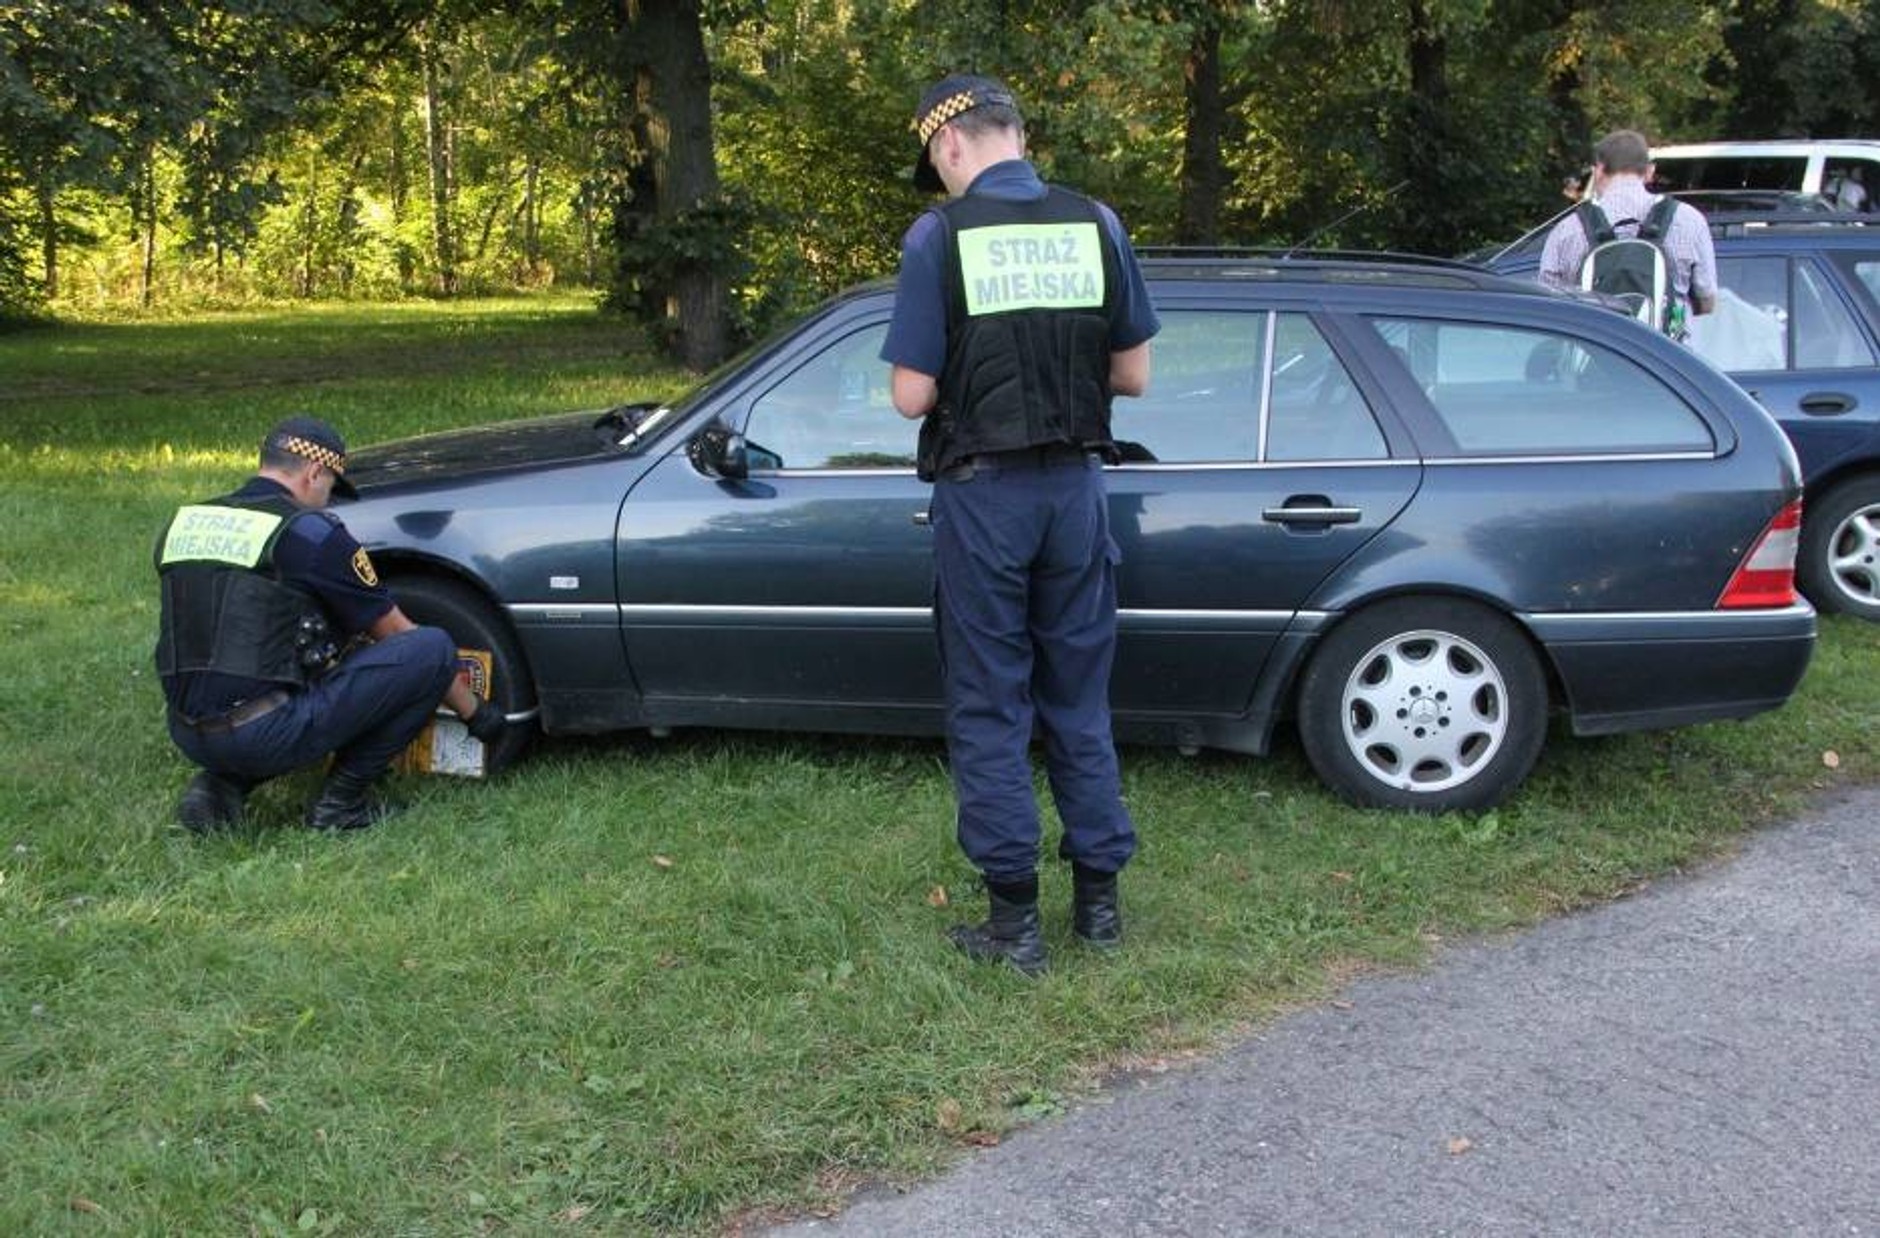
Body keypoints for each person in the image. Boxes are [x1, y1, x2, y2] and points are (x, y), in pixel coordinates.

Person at [881, 73, 1160, 976]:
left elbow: (910, 395)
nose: (941, 173)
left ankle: (1015, 927)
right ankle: (1100, 912)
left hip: (985, 496)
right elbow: (1134, 376)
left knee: (991, 703)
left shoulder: (938, 236)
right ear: (1017, 135)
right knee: (1078, 698)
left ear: (952, 143)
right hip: (1076, 493)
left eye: (937, 160)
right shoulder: (1098, 222)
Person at [155, 415, 508, 832]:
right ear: (314, 472)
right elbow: (398, 633)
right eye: (330, 489)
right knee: (430, 651)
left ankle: (218, 786)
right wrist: (477, 714)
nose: (327, 501)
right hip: (261, 733)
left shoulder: (185, 522)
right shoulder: (309, 534)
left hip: (187, 731)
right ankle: (340, 805)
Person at [1539, 129, 1718, 323]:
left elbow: (1548, 303)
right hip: (1664, 351)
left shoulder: (1568, 228)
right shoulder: (1689, 220)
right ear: (1650, 171)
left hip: (1593, 349)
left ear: (1598, 170)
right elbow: (1707, 301)